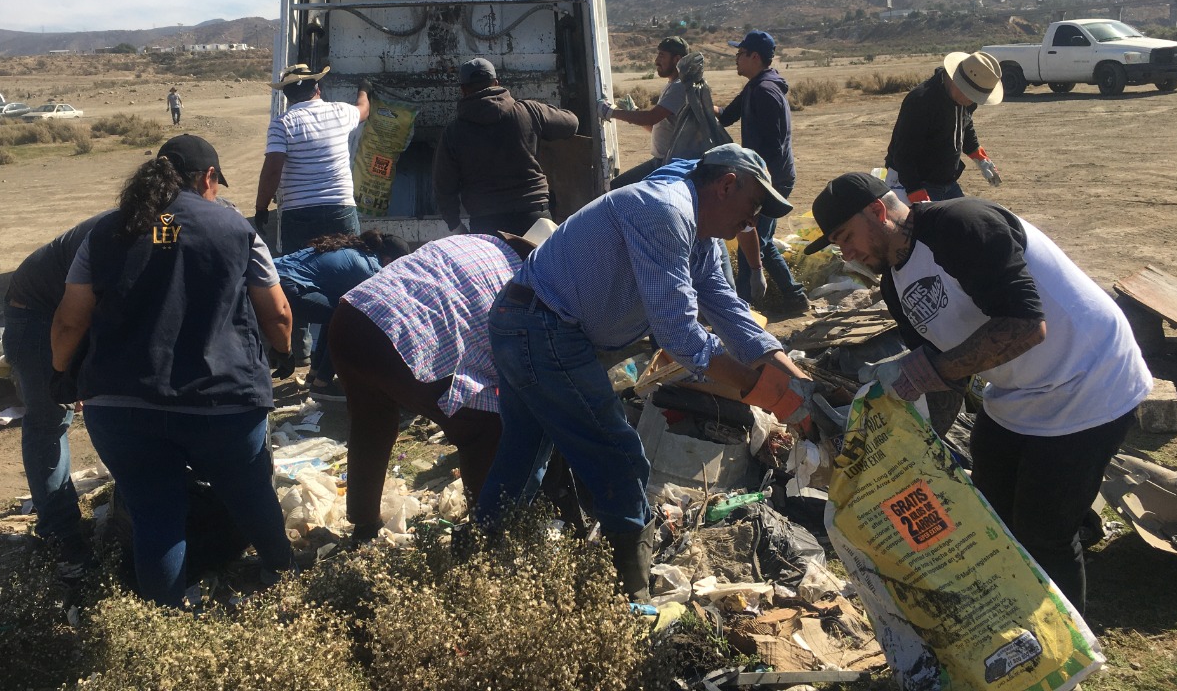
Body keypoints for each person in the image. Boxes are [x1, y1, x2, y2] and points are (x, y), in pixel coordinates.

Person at [476, 144, 815, 600]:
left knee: (524, 454)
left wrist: (793, 380)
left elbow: (727, 310)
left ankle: (479, 564)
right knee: (617, 452)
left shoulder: (704, 238)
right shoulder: (665, 210)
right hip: (540, 325)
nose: (752, 222)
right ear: (726, 185)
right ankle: (631, 594)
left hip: (534, 323)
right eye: (753, 206)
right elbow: (680, 335)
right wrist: (761, 391)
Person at [803, 171, 1152, 610]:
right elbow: (946, 375)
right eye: (837, 244)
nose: (846, 253)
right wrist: (915, 444)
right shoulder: (895, 282)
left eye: (846, 237)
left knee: (1044, 532)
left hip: (1089, 379)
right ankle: (1013, 618)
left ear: (878, 211)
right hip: (1018, 392)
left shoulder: (961, 224)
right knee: (990, 518)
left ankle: (1066, 660)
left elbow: (1025, 326)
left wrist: (929, 369)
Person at [52, 134, 294, 606]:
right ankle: (282, 577)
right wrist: (282, 353)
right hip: (222, 402)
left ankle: (163, 621)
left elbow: (68, 320)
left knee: (155, 514)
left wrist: (61, 370)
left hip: (122, 407)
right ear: (207, 177)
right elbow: (278, 314)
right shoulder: (235, 228)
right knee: (250, 494)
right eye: (215, 184)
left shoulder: (104, 232)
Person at [329, 226, 547, 543]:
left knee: (371, 420)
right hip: (400, 339)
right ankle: (489, 537)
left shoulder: (476, 242)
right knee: (483, 430)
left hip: (351, 316)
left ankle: (363, 525)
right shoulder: (527, 281)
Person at [3, 212, 106, 568]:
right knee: (49, 421)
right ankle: (61, 537)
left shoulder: (164, 227)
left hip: (67, 312)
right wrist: (67, 372)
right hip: (37, 316)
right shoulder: (110, 236)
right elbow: (73, 319)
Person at [255, 63, 370, 368]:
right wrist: (364, 88)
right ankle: (348, 349)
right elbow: (363, 109)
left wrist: (260, 207)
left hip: (299, 212)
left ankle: (301, 351)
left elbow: (273, 168)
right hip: (340, 210)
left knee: (297, 281)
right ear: (317, 88)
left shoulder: (283, 124)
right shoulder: (340, 112)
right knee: (351, 280)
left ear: (288, 96)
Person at [433, 57, 578, 236]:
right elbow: (571, 124)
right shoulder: (528, 111)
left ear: (463, 90)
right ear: (496, 83)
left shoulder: (453, 132)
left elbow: (443, 186)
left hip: (486, 225)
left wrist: (455, 225)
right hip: (535, 218)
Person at [718, 30, 809, 314]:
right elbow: (726, 115)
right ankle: (770, 300)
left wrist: (760, 186)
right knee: (754, 238)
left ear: (754, 57)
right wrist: (697, 101)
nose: (736, 59)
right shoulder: (754, 87)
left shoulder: (765, 91)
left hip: (773, 179)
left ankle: (774, 301)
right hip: (763, 177)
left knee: (757, 240)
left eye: (740, 53)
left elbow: (775, 144)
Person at [272, 230, 410, 398]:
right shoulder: (369, 267)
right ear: (388, 260)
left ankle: (315, 376)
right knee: (352, 321)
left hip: (272, 278)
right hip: (288, 287)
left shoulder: (350, 249)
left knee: (337, 311)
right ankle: (321, 385)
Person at [884, 51, 1004, 204]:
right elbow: (903, 155)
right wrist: (915, 192)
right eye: (972, 95)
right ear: (957, 81)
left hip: (946, 182)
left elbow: (965, 126)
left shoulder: (966, 100)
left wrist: (980, 157)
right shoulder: (921, 101)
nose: (974, 101)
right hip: (914, 182)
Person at [604, 37, 720, 187]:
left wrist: (611, 112)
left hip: (672, 165)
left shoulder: (680, 87)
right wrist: (634, 112)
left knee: (618, 187)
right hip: (662, 161)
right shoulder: (672, 85)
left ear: (677, 59)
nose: (656, 61)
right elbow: (656, 127)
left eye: (662, 56)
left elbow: (651, 117)